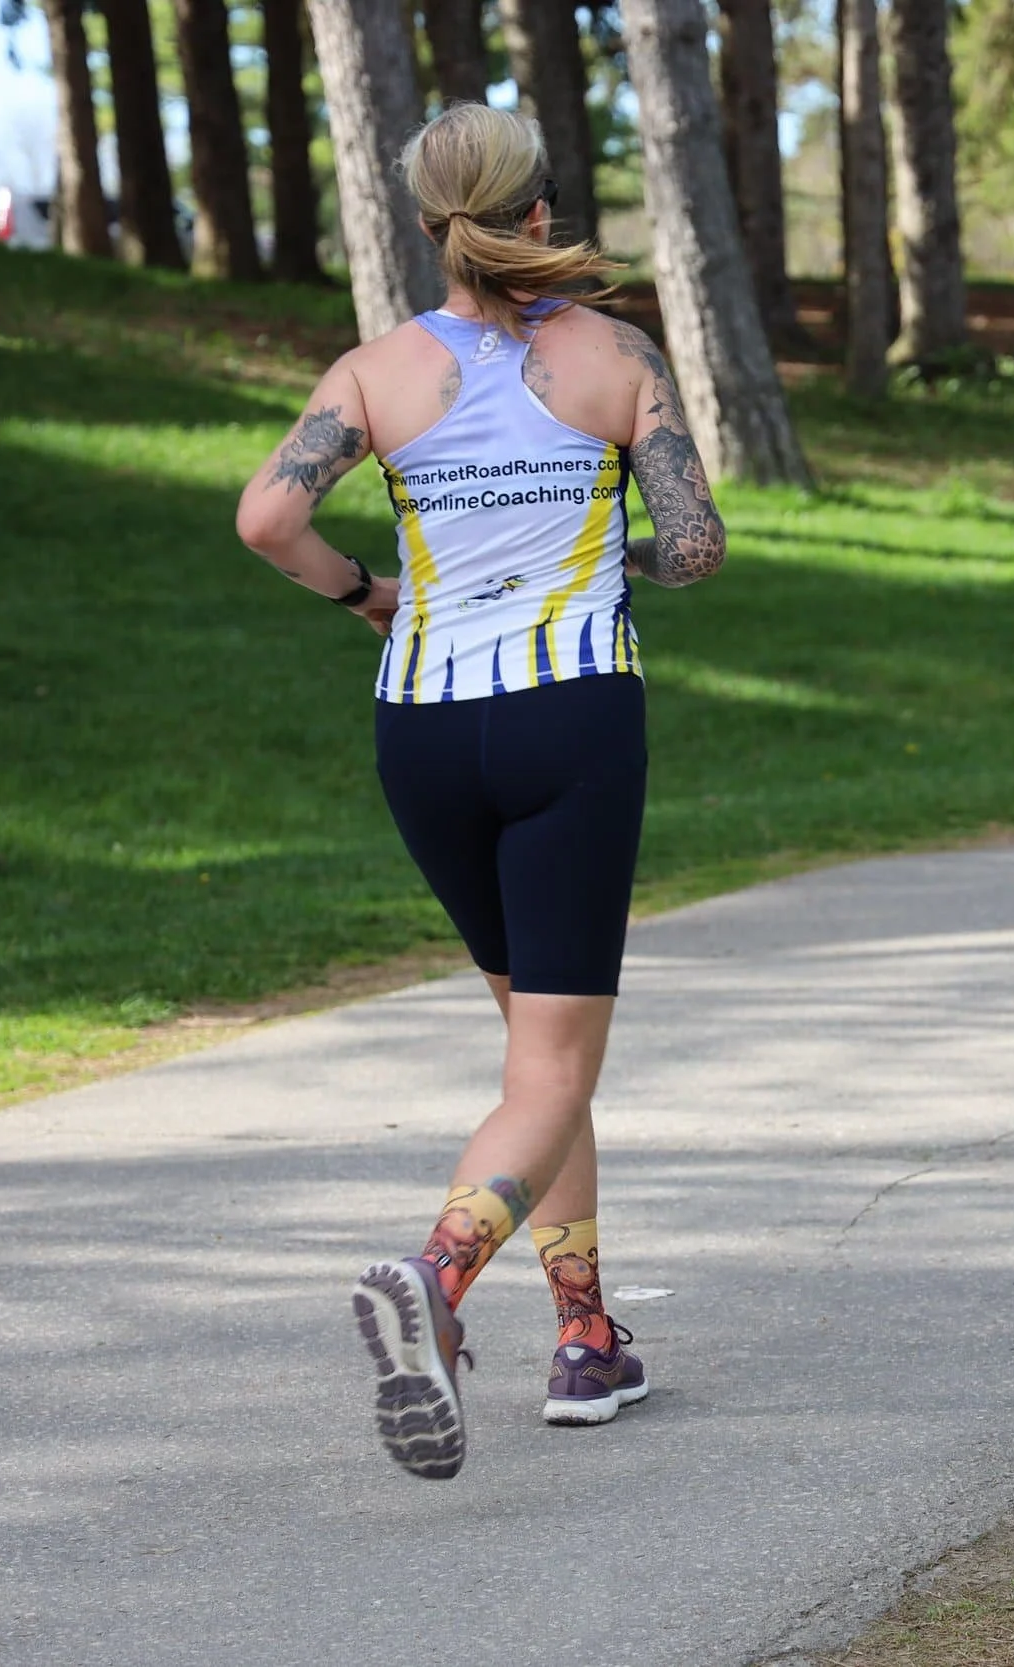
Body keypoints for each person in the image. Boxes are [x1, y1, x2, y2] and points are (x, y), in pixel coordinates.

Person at [233, 103, 726, 1479]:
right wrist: (603, 536)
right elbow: (692, 548)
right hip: (569, 715)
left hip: (426, 728)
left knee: (532, 1052)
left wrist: (365, 595)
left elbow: (267, 518)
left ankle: (586, 1338)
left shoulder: (377, 370)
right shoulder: (614, 356)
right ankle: (435, 1285)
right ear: (542, 210)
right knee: (557, 1064)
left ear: (430, 223)